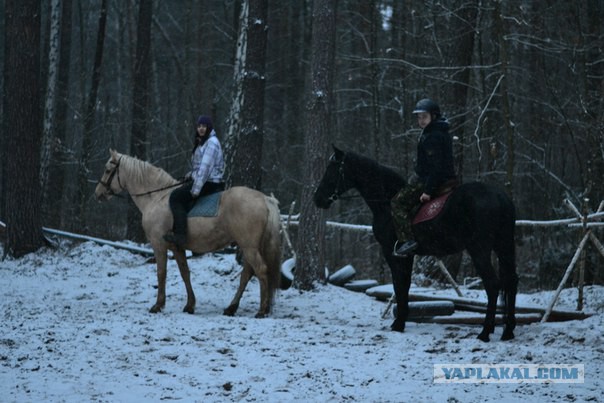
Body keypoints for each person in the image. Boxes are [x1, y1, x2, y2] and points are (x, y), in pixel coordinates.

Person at [392, 98, 457, 257]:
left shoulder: (433, 136)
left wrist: (428, 190)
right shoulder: (438, 131)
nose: (421, 120)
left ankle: (407, 240)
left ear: (433, 116)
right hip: (441, 177)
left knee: (398, 202)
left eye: (424, 117)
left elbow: (436, 167)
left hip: (432, 180)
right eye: (419, 117)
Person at [163, 115, 225, 247]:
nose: (201, 129)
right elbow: (199, 168)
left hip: (210, 182)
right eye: (199, 126)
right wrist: (190, 175)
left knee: (175, 197)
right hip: (206, 179)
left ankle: (181, 235)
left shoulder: (211, 143)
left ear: (209, 127)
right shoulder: (203, 141)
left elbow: (205, 168)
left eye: (204, 126)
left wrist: (196, 189)